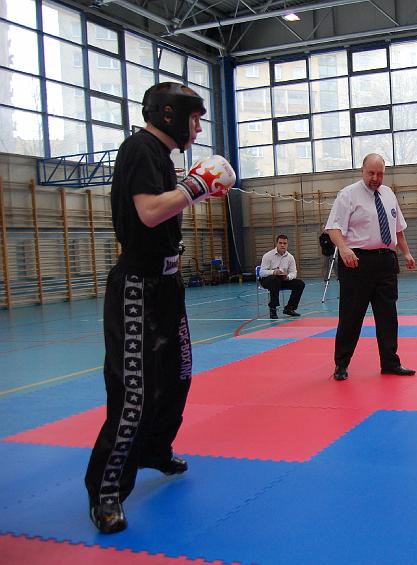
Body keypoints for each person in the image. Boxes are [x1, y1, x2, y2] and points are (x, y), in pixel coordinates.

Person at [85, 82, 235, 533]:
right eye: (195, 119)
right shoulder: (140, 149)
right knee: (134, 390)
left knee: (177, 375)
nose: (198, 128)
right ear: (169, 114)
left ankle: (154, 449)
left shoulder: (162, 157)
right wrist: (197, 185)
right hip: (138, 286)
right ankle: (107, 491)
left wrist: (199, 191)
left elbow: (164, 211)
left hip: (168, 283)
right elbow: (149, 212)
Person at [325, 153, 416, 381]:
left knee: (388, 316)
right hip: (356, 261)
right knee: (351, 316)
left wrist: (406, 253)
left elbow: (398, 229)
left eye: (380, 174)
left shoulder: (389, 194)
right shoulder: (348, 194)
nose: (375, 178)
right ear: (362, 171)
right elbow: (333, 228)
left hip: (386, 261)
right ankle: (341, 364)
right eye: (371, 173)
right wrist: (344, 249)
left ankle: (390, 362)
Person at [259, 234, 305, 318]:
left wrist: (288, 277)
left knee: (300, 284)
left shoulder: (290, 257)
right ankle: (273, 308)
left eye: (284, 243)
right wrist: (273, 272)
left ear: (287, 244)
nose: (282, 245)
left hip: (282, 280)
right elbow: (261, 273)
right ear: (276, 244)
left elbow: (294, 272)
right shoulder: (268, 256)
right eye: (280, 243)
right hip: (267, 280)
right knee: (274, 280)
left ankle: (289, 308)